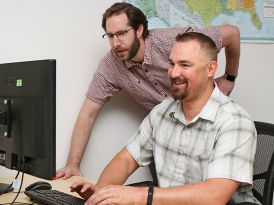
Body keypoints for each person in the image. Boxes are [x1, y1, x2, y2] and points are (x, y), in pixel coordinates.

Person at [55, 2, 241, 179]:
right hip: (165, 137)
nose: (115, 43)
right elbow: (87, 113)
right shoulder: (110, 66)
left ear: (139, 30)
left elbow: (232, 34)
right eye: (110, 36)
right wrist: (72, 164)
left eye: (121, 33)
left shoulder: (173, 42)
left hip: (205, 128)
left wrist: (229, 77)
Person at [70, 32, 260, 205]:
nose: (173, 73)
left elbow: (214, 196)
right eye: (171, 63)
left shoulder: (235, 121)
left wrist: (140, 196)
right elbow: (126, 159)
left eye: (185, 65)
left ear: (211, 69)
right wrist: (102, 193)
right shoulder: (162, 112)